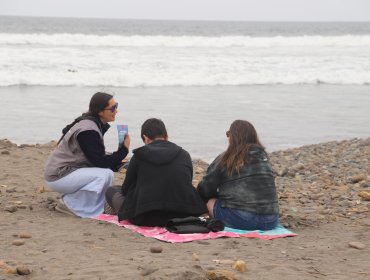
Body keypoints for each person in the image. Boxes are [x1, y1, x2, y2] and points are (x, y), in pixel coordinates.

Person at [105, 118, 207, 226]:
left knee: (111, 191)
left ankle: (112, 214)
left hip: (144, 218)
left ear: (145, 139)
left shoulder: (139, 156)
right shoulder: (184, 154)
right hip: (181, 215)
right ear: (166, 137)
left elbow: (125, 190)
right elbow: (185, 183)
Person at [44, 92, 130, 218]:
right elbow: (100, 162)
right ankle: (70, 204)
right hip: (59, 175)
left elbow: (94, 155)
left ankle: (89, 205)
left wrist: (118, 161)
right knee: (105, 175)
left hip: (65, 171)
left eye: (116, 106)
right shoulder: (89, 130)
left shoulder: (90, 122)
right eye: (112, 108)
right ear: (100, 112)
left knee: (104, 173)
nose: (116, 110)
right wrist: (123, 150)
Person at [197, 120, 279, 230]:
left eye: (228, 134)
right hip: (270, 220)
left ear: (233, 137)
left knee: (210, 202)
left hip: (242, 220)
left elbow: (205, 189)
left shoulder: (226, 158)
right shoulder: (263, 158)